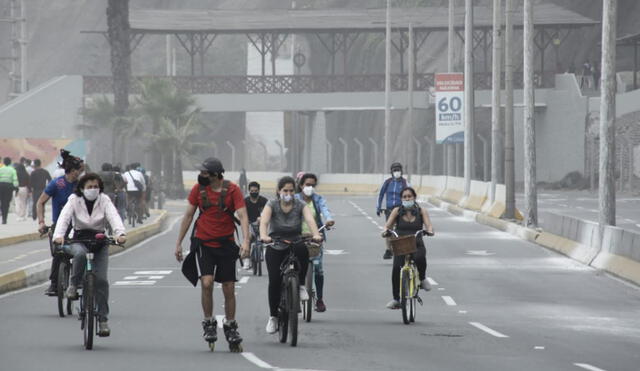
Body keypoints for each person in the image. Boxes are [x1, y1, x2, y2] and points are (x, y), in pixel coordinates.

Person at [174, 157, 250, 350]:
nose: (201, 175)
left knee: (228, 287)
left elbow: (242, 215)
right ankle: (209, 322)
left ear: (216, 174)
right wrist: (179, 243)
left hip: (226, 244)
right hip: (204, 243)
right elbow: (189, 216)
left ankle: (231, 325)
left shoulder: (233, 190)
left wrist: (246, 240)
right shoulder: (197, 190)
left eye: (205, 173)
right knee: (206, 283)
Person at [53, 173, 126, 337]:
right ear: (82, 188)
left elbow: (114, 216)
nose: (93, 190)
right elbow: (64, 218)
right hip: (79, 239)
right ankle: (73, 285)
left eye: (96, 186)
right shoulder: (74, 199)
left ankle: (102, 320)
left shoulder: (104, 199)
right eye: (89, 187)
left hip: (99, 241)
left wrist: (120, 233)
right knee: (79, 254)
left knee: (101, 281)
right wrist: (59, 235)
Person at [259, 176, 322, 334]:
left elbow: (310, 219)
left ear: (295, 191)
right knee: (274, 280)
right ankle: (273, 317)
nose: (288, 193)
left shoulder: (300, 204)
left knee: (303, 250)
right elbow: (264, 222)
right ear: (279, 191)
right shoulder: (271, 204)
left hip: (295, 240)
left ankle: (300, 285)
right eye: (285, 190)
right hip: (276, 242)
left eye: (291, 190)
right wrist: (264, 236)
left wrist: (316, 234)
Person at [37, 150, 84, 296]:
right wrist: (41, 222)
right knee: (58, 254)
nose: (80, 173)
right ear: (71, 170)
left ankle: (79, 279)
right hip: (60, 226)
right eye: (78, 170)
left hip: (77, 225)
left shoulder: (81, 186)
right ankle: (54, 284)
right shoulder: (56, 184)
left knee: (82, 251)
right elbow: (40, 202)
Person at [381, 187, 434, 310]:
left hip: (416, 241)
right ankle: (396, 299)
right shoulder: (397, 211)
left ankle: (422, 278)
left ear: (414, 197)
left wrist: (430, 231)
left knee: (420, 257)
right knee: (395, 269)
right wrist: (385, 232)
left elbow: (429, 225)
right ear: (401, 199)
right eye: (404, 197)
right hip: (400, 243)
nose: (407, 198)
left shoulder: (422, 211)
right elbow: (387, 225)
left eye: (409, 196)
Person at [295, 173, 335, 312]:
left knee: (318, 269)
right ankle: (294, 297)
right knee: (294, 268)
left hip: (315, 237)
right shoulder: (295, 199)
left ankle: (320, 299)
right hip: (297, 237)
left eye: (312, 185)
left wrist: (329, 219)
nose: (310, 187)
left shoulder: (318, 199)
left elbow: (325, 210)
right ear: (301, 185)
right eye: (307, 184)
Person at [376, 162, 409, 259]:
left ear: (401, 171)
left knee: (402, 230)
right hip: (389, 210)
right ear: (391, 172)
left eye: (398, 170)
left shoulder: (405, 183)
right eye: (395, 170)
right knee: (388, 230)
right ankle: (388, 249)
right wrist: (378, 207)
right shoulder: (387, 182)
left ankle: (403, 248)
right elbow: (380, 195)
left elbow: (411, 196)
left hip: (402, 210)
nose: (397, 172)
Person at [243, 181, 268, 269]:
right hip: (249, 223)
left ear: (259, 191)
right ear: (249, 191)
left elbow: (269, 212)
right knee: (248, 238)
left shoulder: (264, 201)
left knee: (265, 238)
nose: (254, 192)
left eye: (256, 191)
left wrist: (262, 218)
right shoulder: (245, 201)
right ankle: (247, 259)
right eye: (252, 191)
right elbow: (240, 213)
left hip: (262, 223)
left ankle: (263, 252)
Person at [0, 157, 18, 224]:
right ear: (10, 162)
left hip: (1, 186)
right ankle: (5, 218)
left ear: (4, 162)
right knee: (6, 203)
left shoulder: (1, 169)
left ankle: (2, 218)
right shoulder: (12, 170)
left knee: (1, 201)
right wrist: (16, 187)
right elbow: (15, 179)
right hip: (9, 187)